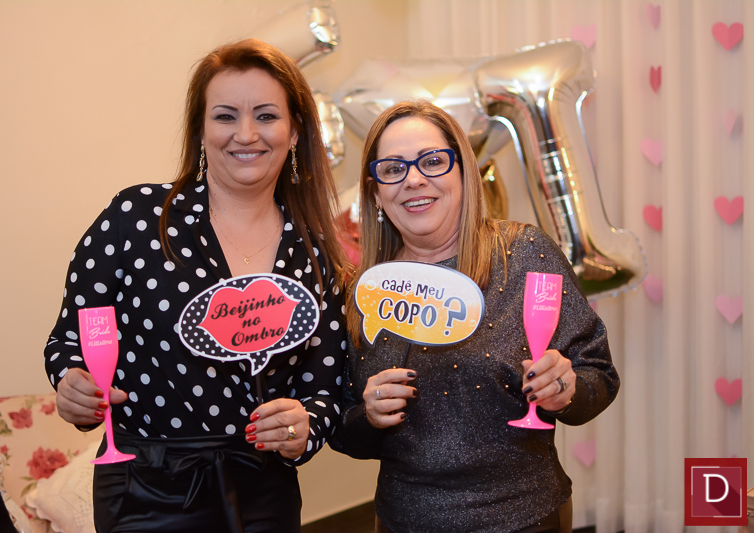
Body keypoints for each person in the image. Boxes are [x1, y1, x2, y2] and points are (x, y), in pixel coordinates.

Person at [44, 39, 349, 533]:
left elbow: (326, 391)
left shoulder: (316, 255)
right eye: (226, 116)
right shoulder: (136, 218)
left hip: (263, 492)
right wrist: (72, 385)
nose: (246, 134)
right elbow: (69, 342)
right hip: (145, 489)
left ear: (295, 131)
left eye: (266, 116)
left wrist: (304, 427)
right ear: (200, 130)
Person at [330, 100, 620, 533]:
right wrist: (367, 417)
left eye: (432, 161)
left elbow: (599, 376)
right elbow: (340, 426)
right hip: (402, 520)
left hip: (525, 518)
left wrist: (567, 387)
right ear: (375, 192)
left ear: (463, 173)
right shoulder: (364, 291)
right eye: (392, 169)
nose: (413, 179)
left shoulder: (525, 254)